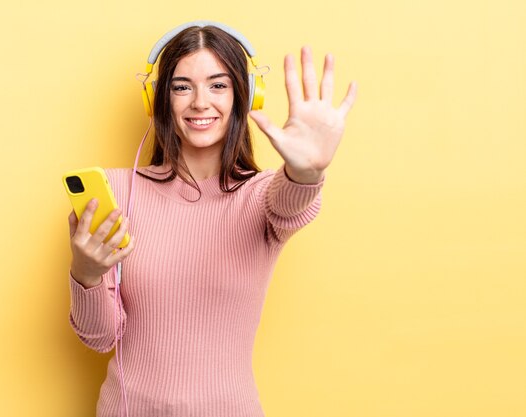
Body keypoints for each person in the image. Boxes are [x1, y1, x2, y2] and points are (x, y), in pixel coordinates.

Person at [66, 21, 357, 417]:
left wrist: (307, 173)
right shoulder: (117, 193)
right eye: (182, 86)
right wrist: (85, 272)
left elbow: (292, 203)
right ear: (158, 99)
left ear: (245, 96)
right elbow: (99, 339)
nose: (200, 102)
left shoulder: (262, 196)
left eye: (218, 85)